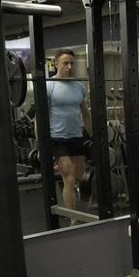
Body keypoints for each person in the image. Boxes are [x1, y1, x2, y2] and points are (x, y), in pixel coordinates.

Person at [35, 49, 92, 225]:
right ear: (56, 64)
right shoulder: (49, 86)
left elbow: (85, 114)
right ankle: (73, 218)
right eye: (65, 63)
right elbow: (39, 117)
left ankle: (57, 166)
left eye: (71, 63)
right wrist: (40, 146)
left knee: (80, 175)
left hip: (76, 136)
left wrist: (95, 137)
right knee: (69, 178)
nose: (69, 67)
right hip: (56, 137)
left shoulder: (79, 87)